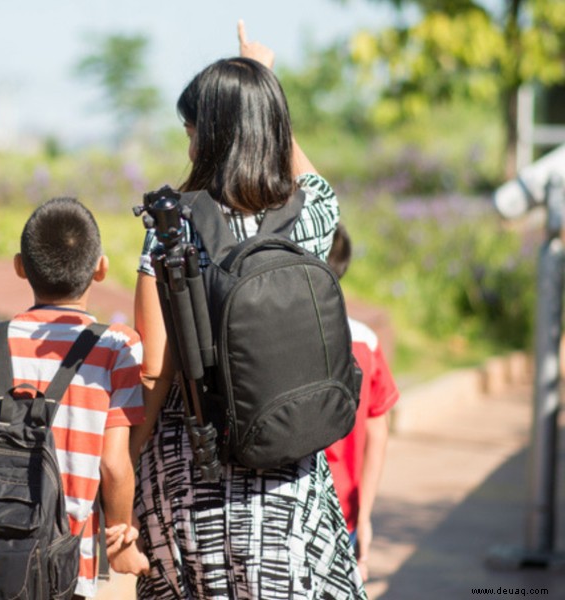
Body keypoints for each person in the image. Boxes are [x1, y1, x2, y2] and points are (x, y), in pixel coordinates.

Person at [128, 21, 366, 599]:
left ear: (207, 136)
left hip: (190, 476)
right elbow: (314, 180)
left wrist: (124, 470)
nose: (187, 146)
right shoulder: (309, 220)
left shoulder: (171, 226)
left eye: (191, 132)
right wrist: (261, 81)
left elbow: (154, 369)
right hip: (289, 479)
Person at [0, 197, 150, 599]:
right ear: (101, 268)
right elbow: (113, 464)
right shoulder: (116, 348)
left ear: (20, 266)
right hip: (66, 561)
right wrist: (119, 545)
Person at [325, 224, 400, 583]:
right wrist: (366, 515)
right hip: (346, 511)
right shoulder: (365, 342)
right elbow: (377, 430)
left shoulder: (276, 340)